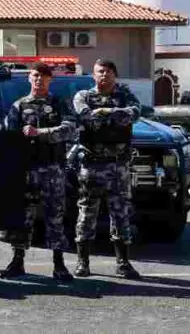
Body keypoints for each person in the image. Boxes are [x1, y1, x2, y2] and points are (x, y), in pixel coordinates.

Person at [1, 62, 76, 282]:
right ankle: (17, 261)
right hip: (27, 168)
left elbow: (69, 130)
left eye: (43, 76)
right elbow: (10, 137)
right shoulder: (19, 106)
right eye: (35, 75)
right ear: (29, 78)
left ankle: (59, 264)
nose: (39, 80)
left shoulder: (59, 104)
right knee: (23, 215)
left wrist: (40, 132)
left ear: (50, 79)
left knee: (55, 215)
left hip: (53, 168)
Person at [71, 59, 142, 279]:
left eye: (109, 71)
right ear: (93, 75)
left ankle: (123, 263)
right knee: (87, 213)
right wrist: (115, 114)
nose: (104, 75)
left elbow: (135, 113)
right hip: (92, 164)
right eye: (100, 71)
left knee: (121, 214)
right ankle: (83, 262)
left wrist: (106, 111)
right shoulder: (83, 96)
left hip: (118, 165)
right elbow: (84, 114)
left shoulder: (125, 96)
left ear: (115, 75)